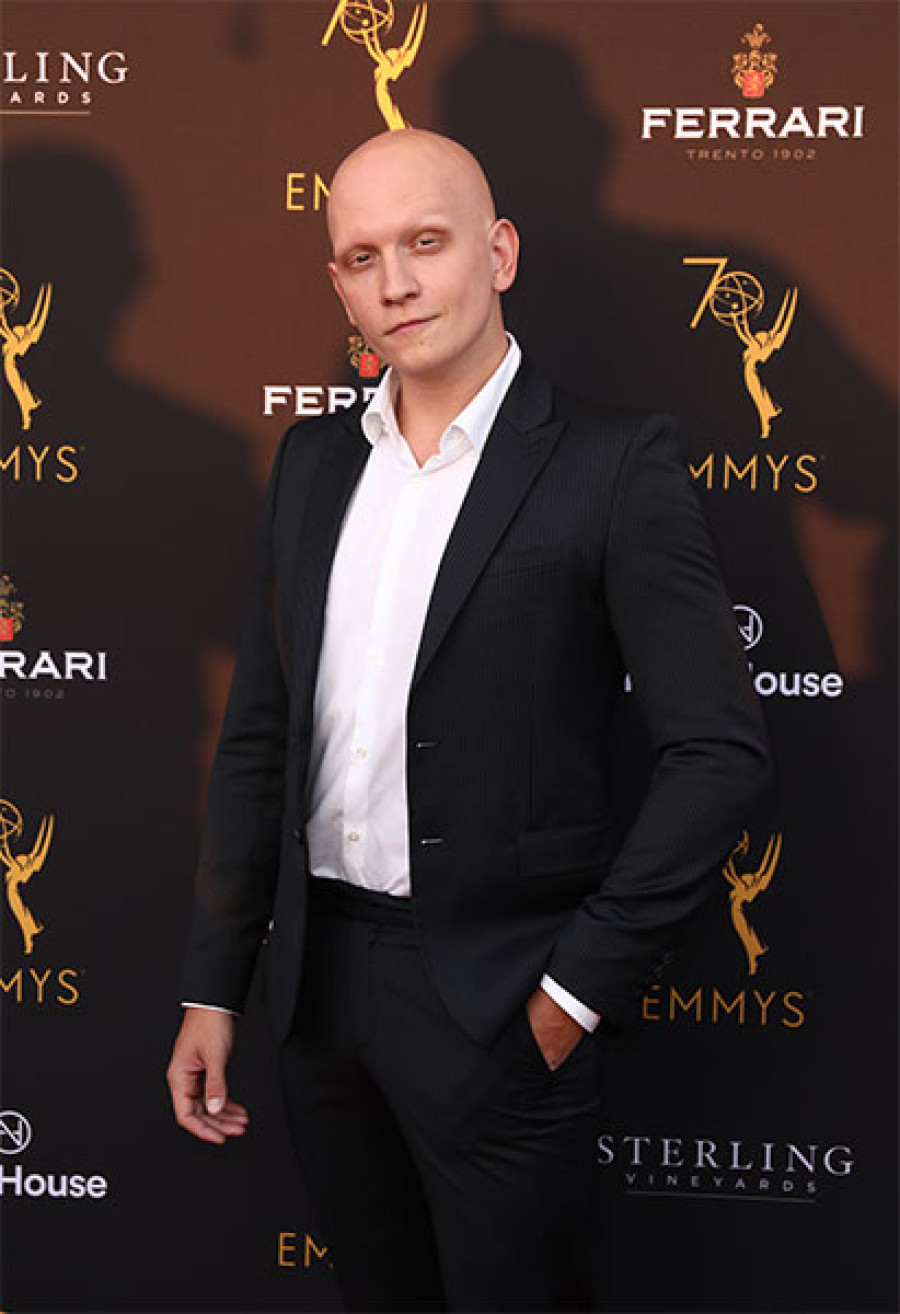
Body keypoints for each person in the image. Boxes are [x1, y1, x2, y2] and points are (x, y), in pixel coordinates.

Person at [167, 129, 771, 1312]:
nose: (395, 282)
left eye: (426, 243)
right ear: (339, 285)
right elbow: (259, 738)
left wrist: (571, 994)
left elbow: (720, 755)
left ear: (498, 254)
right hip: (317, 995)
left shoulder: (613, 464)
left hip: (502, 1001)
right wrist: (214, 986)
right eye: (362, 258)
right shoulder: (310, 463)